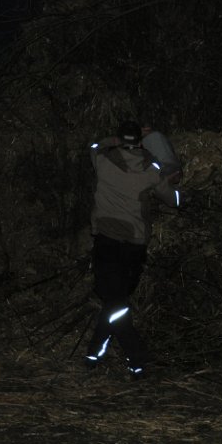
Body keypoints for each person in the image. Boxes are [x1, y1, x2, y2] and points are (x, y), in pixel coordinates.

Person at [84, 120, 182, 380]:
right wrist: (182, 190)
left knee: (114, 302)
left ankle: (125, 358)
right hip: (134, 246)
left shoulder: (102, 160)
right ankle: (113, 358)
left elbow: (94, 146)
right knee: (116, 301)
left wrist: (114, 140)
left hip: (106, 241)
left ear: (119, 139)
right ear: (140, 141)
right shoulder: (151, 168)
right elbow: (173, 200)